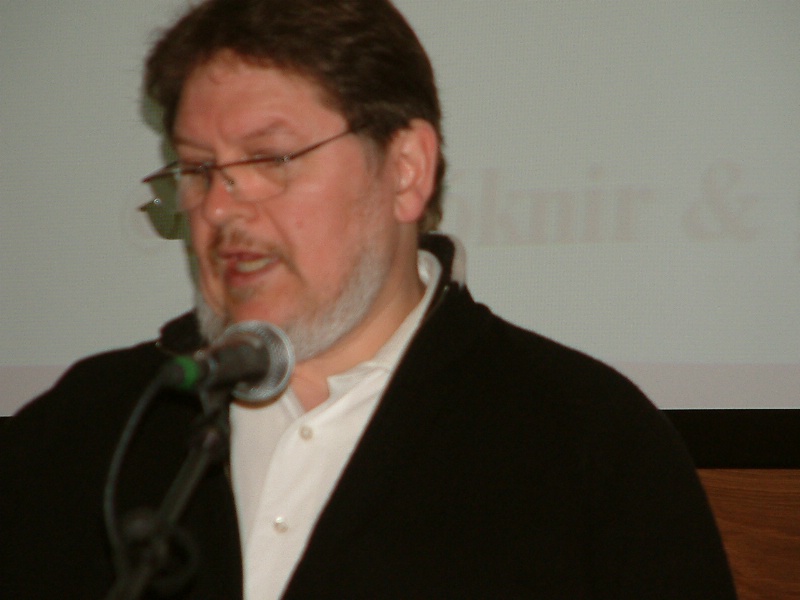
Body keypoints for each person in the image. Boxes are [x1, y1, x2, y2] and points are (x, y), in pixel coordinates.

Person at [0, 0, 737, 598]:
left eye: (270, 158)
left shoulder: (588, 442)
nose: (219, 209)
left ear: (407, 169)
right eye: (197, 169)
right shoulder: (93, 427)